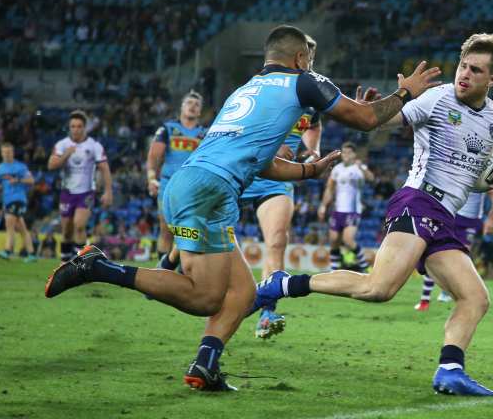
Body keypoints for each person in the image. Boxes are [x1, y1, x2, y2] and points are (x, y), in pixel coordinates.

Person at [44, 24, 441, 391]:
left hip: (194, 185)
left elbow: (262, 160)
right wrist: (406, 93)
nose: (313, 68)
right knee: (205, 298)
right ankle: (98, 267)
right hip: (209, 192)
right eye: (311, 61)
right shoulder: (303, 81)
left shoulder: (246, 90)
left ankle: (205, 364)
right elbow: (366, 119)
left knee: (244, 292)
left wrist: (307, 171)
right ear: (302, 58)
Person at [253, 33, 493, 396]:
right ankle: (280, 284)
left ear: (492, 79)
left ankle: (450, 370)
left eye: (476, 70)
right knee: (378, 288)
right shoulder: (436, 98)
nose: (465, 75)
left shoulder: (492, 117)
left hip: (444, 216)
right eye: (463, 66)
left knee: (476, 297)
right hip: (418, 202)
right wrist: (376, 109)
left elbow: (467, 177)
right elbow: (386, 121)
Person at [241, 35, 325, 339]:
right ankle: (170, 261)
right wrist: (272, 148)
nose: (309, 63)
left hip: (278, 177)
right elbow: (241, 126)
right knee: (201, 226)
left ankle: (266, 313)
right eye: (306, 57)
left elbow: (313, 124)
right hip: (245, 170)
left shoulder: (311, 94)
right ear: (294, 57)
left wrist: (313, 150)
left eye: (312, 58)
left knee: (277, 240)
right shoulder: (264, 86)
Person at [146, 91, 206, 267]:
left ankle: (181, 272)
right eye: (189, 103)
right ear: (182, 107)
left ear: (200, 112)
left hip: (194, 189)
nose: (192, 106)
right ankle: (162, 274)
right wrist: (151, 179)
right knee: (166, 231)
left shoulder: (206, 133)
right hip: (169, 186)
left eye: (197, 104)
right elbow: (153, 156)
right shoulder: (168, 129)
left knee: (188, 231)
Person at [415, 190, 493, 311]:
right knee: (435, 255)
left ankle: (446, 293)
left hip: (470, 221)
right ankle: (425, 299)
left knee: (460, 258)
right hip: (452, 215)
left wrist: (492, 216)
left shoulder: (482, 175)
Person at [47, 110, 113, 261]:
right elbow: (51, 165)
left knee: (79, 225)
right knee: (67, 231)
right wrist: (66, 154)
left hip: (86, 192)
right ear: (69, 128)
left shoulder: (94, 146)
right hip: (67, 192)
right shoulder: (62, 145)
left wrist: (108, 191)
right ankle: (64, 263)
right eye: (73, 126)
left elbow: (105, 168)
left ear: (85, 128)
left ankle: (81, 265)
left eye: (79, 126)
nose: (76, 129)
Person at [319, 142, 374, 271]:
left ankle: (365, 267)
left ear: (354, 154)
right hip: (338, 210)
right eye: (344, 152)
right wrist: (323, 206)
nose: (346, 155)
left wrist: (363, 168)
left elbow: (371, 178)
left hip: (353, 210)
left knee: (348, 240)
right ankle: (334, 270)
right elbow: (329, 189)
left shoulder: (358, 168)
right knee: (333, 240)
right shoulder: (337, 169)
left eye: (349, 152)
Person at [0, 142, 37, 262]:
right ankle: (32, 254)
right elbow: (0, 183)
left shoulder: (20, 167)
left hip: (18, 198)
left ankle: (7, 251)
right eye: (4, 152)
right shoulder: (0, 167)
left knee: (9, 224)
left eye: (9, 152)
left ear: (13, 153)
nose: (6, 154)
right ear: (1, 153)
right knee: (21, 228)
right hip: (7, 199)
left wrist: (17, 180)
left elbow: (31, 180)